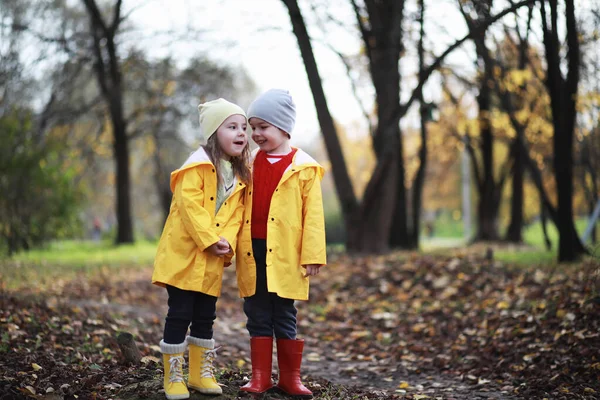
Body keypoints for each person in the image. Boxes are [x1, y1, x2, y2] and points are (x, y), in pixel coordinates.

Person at [152, 98, 251, 399]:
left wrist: (226, 243)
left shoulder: (239, 176)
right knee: (180, 313)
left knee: (206, 315)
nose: (241, 133)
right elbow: (189, 208)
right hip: (184, 255)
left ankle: (199, 374)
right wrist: (210, 239)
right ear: (213, 133)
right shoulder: (196, 167)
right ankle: (174, 376)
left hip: (211, 260)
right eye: (232, 127)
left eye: (244, 127)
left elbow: (235, 216)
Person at [235, 89, 327, 398]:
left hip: (287, 254)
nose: (256, 134)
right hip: (253, 248)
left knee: (284, 311)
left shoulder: (304, 169)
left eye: (263, 127)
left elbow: (313, 216)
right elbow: (235, 204)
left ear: (284, 128)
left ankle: (290, 378)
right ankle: (260, 377)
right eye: (252, 128)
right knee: (257, 310)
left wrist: (312, 254)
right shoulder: (247, 164)